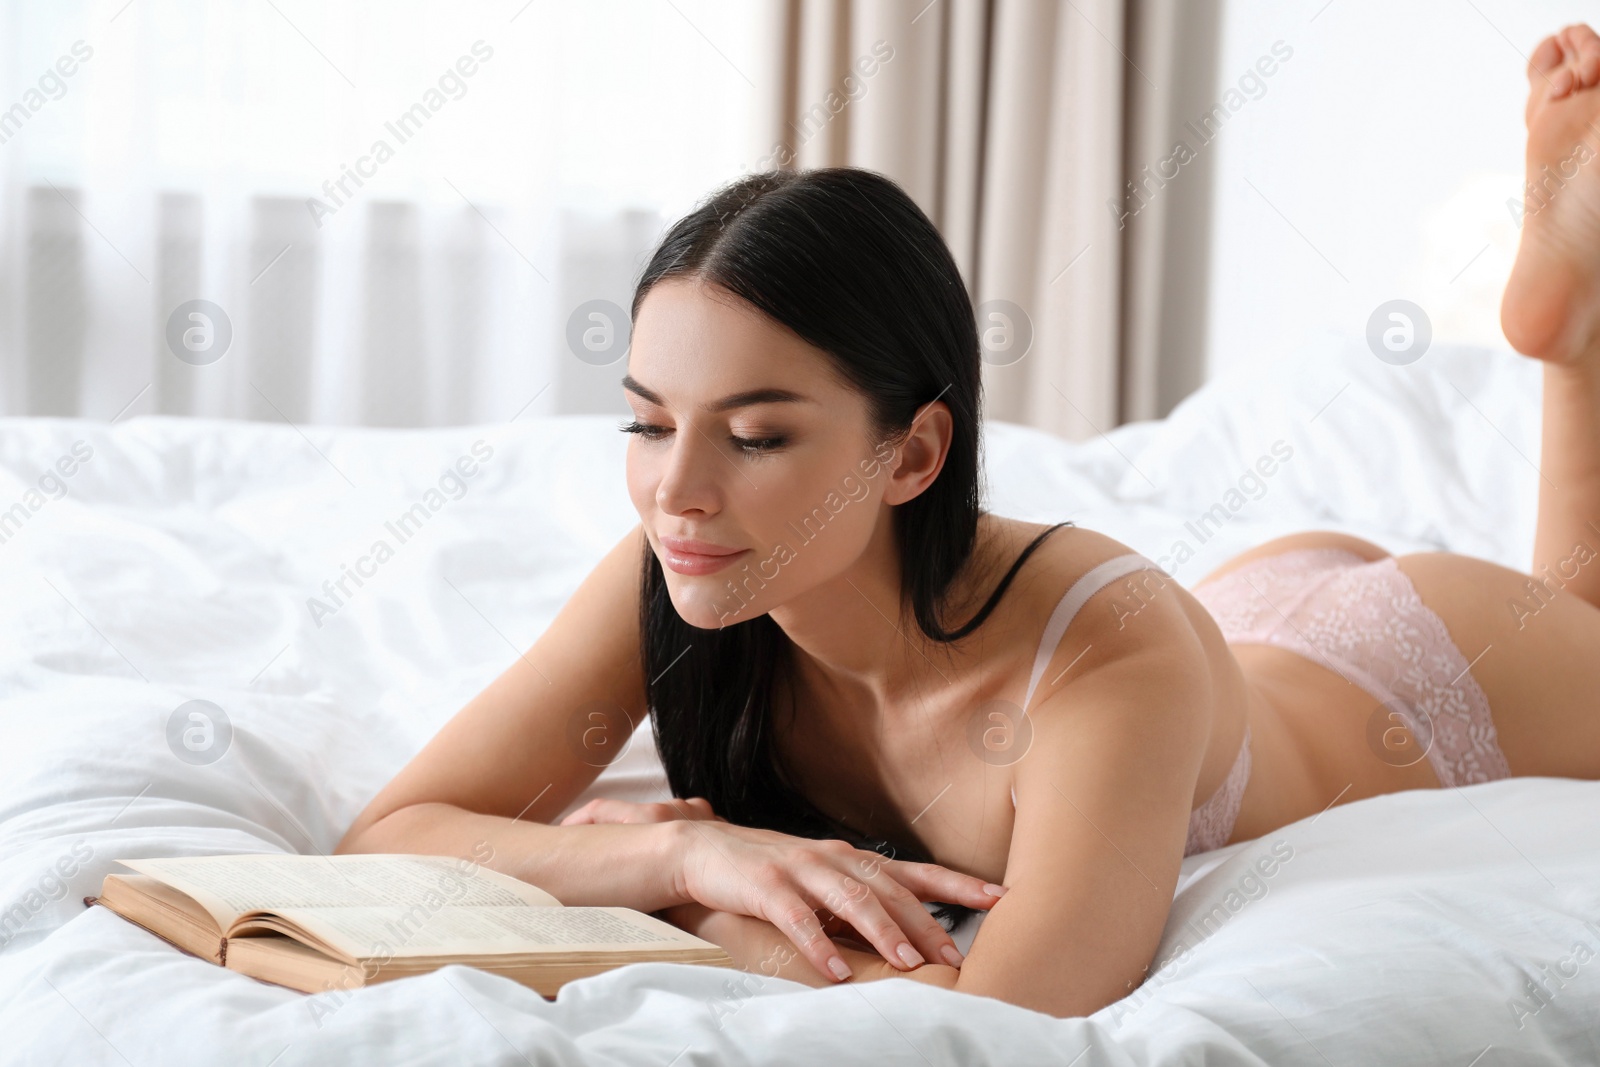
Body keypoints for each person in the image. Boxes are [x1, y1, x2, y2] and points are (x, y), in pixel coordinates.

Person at [336, 23, 1600, 1019]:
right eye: (649, 422)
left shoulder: (1104, 654)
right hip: (1246, 617)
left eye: (758, 434)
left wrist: (718, 918)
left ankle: (1564, 339)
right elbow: (389, 837)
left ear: (914, 451)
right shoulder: (684, 565)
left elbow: (1010, 1017)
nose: (678, 489)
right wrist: (680, 863)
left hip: (1425, 672)